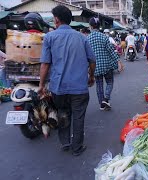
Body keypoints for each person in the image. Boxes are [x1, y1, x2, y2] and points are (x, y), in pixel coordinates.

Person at [39, 5, 96, 156]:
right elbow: (92, 60)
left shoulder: (49, 37)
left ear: (57, 19)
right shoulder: (82, 37)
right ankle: (77, 148)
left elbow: (45, 64)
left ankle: (65, 143)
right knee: (78, 117)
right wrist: (91, 76)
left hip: (58, 87)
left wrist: (41, 85)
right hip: (79, 88)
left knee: (63, 113)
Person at [87, 17, 124, 111]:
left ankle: (102, 104)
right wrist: (119, 62)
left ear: (91, 26)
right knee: (110, 82)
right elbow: (111, 51)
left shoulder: (87, 39)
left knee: (99, 85)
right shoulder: (104, 37)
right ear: (99, 26)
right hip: (107, 65)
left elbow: (86, 55)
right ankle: (106, 98)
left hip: (95, 67)